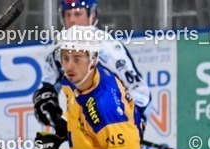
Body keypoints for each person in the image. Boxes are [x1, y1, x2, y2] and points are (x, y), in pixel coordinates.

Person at [35, 25, 147, 149]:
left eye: (77, 59)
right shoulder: (76, 80)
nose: (69, 66)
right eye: (65, 58)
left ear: (93, 60)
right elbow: (80, 114)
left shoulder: (108, 108)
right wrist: (60, 132)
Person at [33, 0, 150, 141]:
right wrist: (54, 116)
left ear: (92, 16)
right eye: (68, 14)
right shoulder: (58, 48)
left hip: (112, 129)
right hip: (81, 133)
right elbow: (46, 88)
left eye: (78, 14)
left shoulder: (107, 49)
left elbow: (140, 91)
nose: (72, 20)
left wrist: (132, 120)